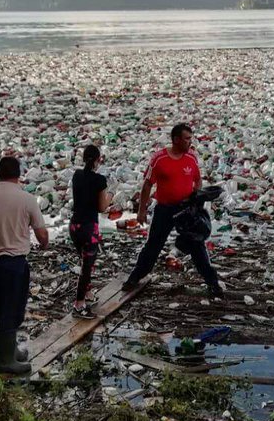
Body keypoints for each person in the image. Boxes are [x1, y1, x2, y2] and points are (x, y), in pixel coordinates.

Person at [121, 123, 223, 298]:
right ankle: (134, 278)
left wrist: (196, 201)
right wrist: (142, 211)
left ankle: (213, 284)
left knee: (197, 246)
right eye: (186, 139)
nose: (190, 142)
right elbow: (147, 185)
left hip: (186, 210)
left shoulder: (191, 158)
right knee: (153, 245)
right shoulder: (159, 159)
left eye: (190, 138)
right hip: (165, 209)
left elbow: (197, 181)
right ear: (176, 139)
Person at [0, 156, 49, 375]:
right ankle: (6, 361)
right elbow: (41, 233)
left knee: (0, 309)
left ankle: (11, 350)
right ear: (19, 174)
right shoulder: (26, 199)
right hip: (13, 264)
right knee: (13, 311)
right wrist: (43, 244)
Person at [69, 145, 110, 319]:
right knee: (87, 267)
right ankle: (79, 305)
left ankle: (87, 294)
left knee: (84, 261)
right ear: (97, 160)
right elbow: (102, 207)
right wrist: (111, 196)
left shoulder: (77, 175)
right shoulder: (100, 180)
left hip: (74, 226)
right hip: (88, 228)